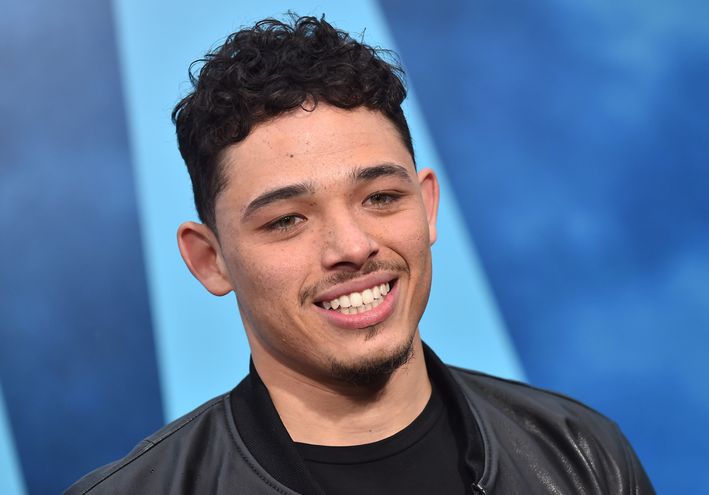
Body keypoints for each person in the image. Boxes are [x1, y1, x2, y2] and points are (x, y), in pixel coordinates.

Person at [66, 15, 654, 495]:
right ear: (209, 260)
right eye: (287, 220)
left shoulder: (583, 457)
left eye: (380, 198)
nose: (352, 247)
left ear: (427, 206)